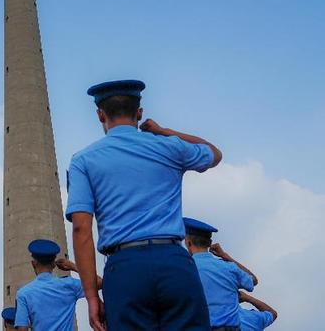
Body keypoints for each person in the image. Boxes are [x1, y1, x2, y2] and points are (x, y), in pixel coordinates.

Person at [66, 79, 223, 331]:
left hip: (125, 268)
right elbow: (214, 153)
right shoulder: (169, 147)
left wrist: (92, 297)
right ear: (139, 113)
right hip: (174, 262)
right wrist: (164, 131)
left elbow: (81, 229)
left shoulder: (83, 161)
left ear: (100, 115)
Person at [184, 218, 258, 330]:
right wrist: (225, 256)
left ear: (188, 242)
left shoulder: (185, 269)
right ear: (209, 243)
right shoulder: (229, 267)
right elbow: (253, 281)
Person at [14, 239, 85, 331]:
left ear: (33, 263)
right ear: (54, 264)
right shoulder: (69, 285)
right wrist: (73, 267)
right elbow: (100, 282)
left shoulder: (23, 293)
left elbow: (22, 328)